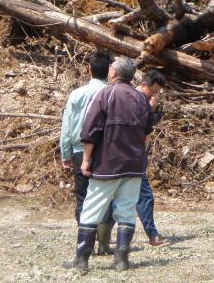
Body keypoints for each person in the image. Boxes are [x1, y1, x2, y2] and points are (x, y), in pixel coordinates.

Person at [66, 56, 154, 272]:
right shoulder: (140, 97)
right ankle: (122, 259)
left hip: (108, 164)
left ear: (114, 73)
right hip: (134, 164)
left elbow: (90, 131)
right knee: (126, 210)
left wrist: (86, 159)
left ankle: (81, 259)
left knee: (91, 208)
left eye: (111, 67)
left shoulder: (104, 94)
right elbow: (147, 132)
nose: (109, 70)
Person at [59, 50, 114, 256]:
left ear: (88, 69)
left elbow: (67, 126)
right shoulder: (111, 94)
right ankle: (104, 243)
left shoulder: (76, 94)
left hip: (79, 151)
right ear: (109, 71)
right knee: (106, 196)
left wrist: (66, 153)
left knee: (83, 198)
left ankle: (85, 246)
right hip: (106, 152)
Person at [135, 69, 167, 246]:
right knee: (145, 196)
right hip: (134, 155)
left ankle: (102, 235)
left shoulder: (135, 98)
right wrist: (152, 109)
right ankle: (152, 235)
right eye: (153, 91)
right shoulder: (138, 99)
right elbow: (143, 123)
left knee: (119, 197)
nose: (154, 95)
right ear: (144, 84)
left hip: (130, 154)